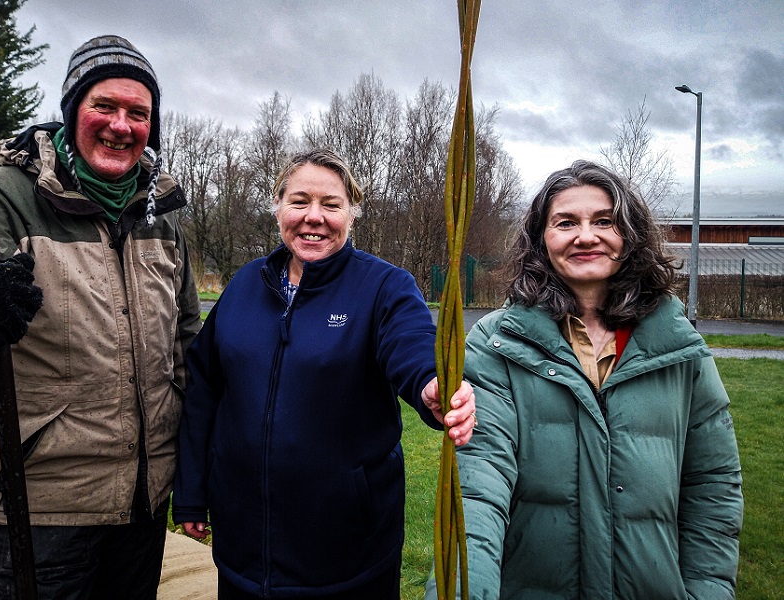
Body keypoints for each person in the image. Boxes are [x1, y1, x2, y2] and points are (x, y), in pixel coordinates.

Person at [0, 35, 202, 599]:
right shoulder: (4, 196)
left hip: (146, 499)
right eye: (103, 106)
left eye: (139, 113)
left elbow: (187, 340)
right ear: (71, 112)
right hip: (44, 504)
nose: (121, 125)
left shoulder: (161, 215)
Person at [426, 160, 743, 599]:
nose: (586, 236)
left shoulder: (679, 347)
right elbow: (478, 487)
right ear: (541, 238)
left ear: (629, 236)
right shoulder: (496, 342)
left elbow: (713, 487)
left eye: (605, 221)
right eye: (565, 222)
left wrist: (707, 592)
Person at [172, 148, 476, 599]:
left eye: (331, 205)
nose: (314, 217)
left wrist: (430, 383)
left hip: (348, 556)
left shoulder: (383, 286)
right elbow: (204, 390)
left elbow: (409, 344)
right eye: (299, 201)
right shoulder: (243, 286)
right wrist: (193, 490)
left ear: (352, 213)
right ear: (277, 208)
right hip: (242, 553)